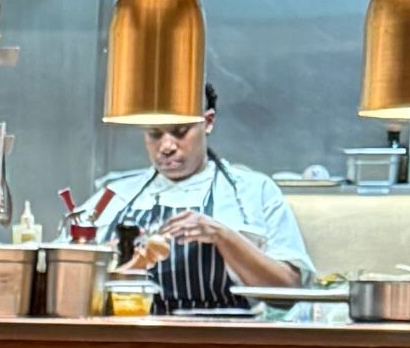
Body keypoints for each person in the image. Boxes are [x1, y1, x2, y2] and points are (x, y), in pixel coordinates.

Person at [86, 90, 315, 302]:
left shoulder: (254, 192)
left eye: (180, 131)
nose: (166, 146)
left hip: (224, 331)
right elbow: (73, 271)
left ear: (208, 122)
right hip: (130, 329)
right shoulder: (114, 195)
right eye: (154, 134)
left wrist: (223, 236)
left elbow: (288, 292)